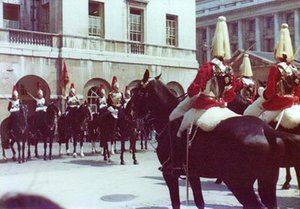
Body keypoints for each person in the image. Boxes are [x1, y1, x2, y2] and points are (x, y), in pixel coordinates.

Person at [164, 16, 239, 172]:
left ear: (212, 48)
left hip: (205, 105)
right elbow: (231, 94)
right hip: (221, 105)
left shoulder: (208, 66)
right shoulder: (229, 70)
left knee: (178, 125)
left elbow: (194, 90)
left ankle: (178, 162)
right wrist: (222, 100)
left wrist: (196, 92)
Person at [244, 23, 300, 129]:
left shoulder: (276, 68)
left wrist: (261, 91)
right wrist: (294, 100)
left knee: (255, 124)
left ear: (276, 53)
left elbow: (270, 93)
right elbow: (298, 91)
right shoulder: (295, 70)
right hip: (293, 102)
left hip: (278, 104)